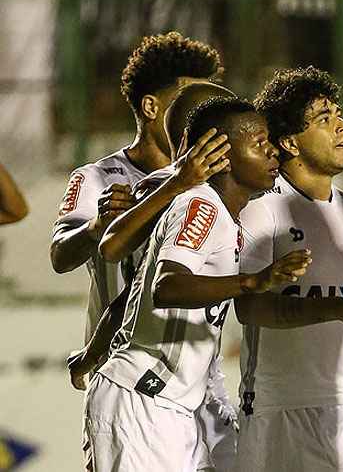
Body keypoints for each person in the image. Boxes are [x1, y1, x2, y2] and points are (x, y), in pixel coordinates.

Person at [84, 96, 311, 471]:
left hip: (175, 407)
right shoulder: (201, 205)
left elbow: (135, 291)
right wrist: (253, 280)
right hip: (146, 403)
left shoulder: (223, 216)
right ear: (222, 154)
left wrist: (93, 353)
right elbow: (167, 285)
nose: (272, 151)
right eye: (258, 143)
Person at [68, 81, 240, 472]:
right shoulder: (166, 194)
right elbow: (128, 275)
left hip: (198, 385)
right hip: (149, 387)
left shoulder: (240, 196)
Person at [234, 66, 343, 471]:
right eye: (324, 120)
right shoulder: (261, 208)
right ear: (289, 141)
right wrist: (336, 309)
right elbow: (248, 307)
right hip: (281, 408)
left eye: (339, 114)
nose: (341, 126)